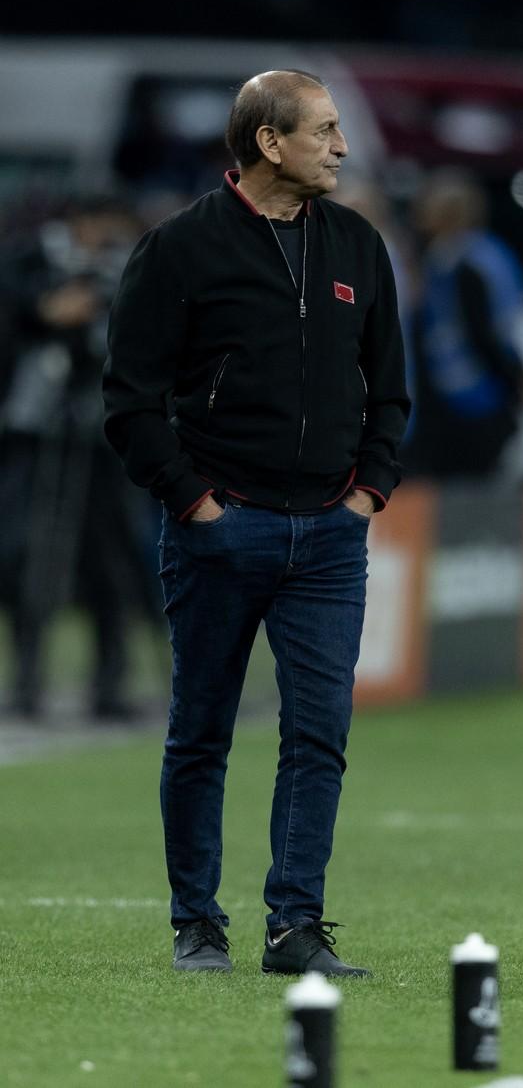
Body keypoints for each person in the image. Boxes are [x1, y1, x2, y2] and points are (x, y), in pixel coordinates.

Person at [103, 71, 409, 975]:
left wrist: (367, 496)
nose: (342, 148)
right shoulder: (180, 250)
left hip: (327, 537)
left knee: (320, 733)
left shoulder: (358, 244)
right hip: (218, 529)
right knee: (201, 730)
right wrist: (193, 503)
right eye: (324, 130)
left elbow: (390, 390)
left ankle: (295, 925)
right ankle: (196, 921)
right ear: (269, 144)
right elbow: (129, 400)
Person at [0, 196, 146, 721]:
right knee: (28, 555)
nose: (102, 238)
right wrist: (44, 311)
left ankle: (110, 685)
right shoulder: (27, 263)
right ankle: (27, 682)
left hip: (103, 436)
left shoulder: (128, 266)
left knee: (109, 560)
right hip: (36, 433)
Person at [407, 168, 523, 478]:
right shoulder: (488, 253)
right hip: (472, 390)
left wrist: (512, 383)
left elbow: (483, 332)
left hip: (471, 394)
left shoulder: (458, 262)